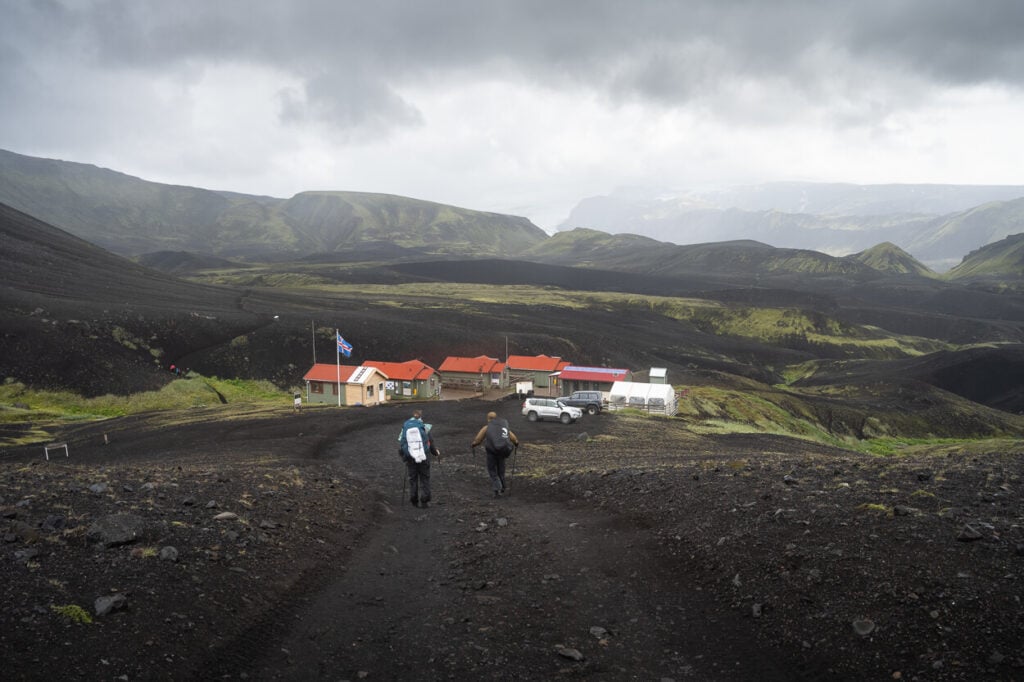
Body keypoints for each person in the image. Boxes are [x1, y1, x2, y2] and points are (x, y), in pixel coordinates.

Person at [471, 411, 519, 498]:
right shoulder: (503, 427)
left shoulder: (487, 427)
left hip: (491, 453)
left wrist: (474, 444)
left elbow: (478, 439)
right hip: (502, 452)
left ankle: (497, 489)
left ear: (488, 418)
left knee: (492, 471)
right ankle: (503, 486)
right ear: (496, 417)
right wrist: (516, 443)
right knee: (501, 470)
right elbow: (513, 438)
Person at [399, 409, 441, 507]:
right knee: (424, 478)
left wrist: (405, 456)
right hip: (424, 457)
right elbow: (430, 443)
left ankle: (414, 500)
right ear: (421, 417)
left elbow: (402, 443)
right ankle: (425, 501)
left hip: (410, 458)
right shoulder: (424, 428)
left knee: (413, 479)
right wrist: (436, 453)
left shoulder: (405, 427)